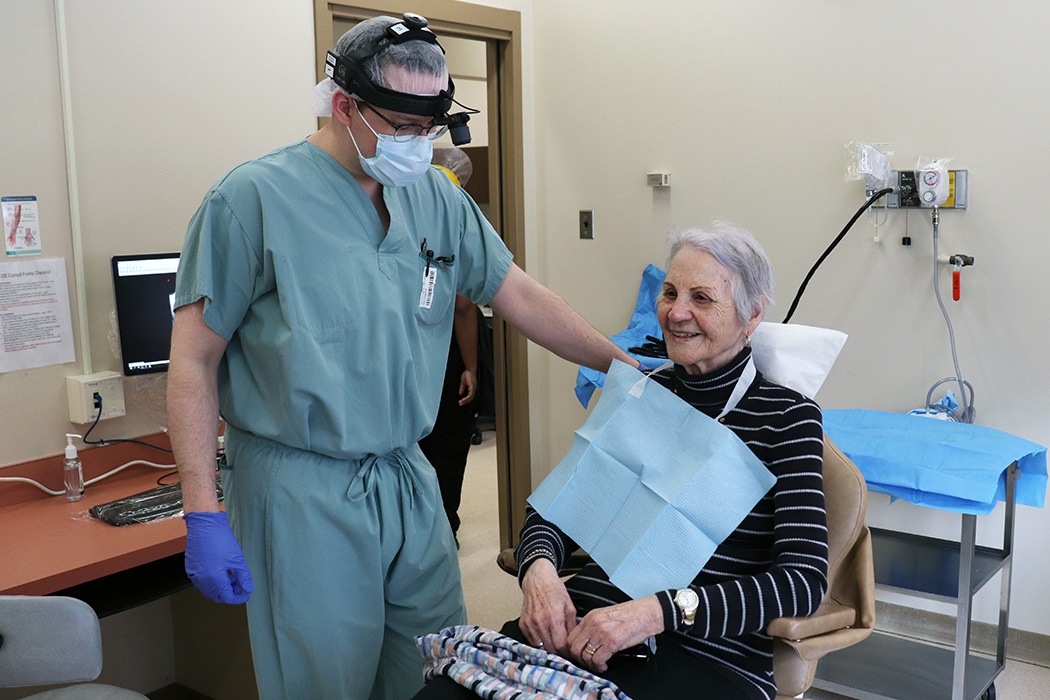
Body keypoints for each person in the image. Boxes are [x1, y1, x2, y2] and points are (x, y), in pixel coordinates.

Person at [166, 14, 636, 700]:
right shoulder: (250, 201)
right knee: (326, 683)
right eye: (402, 127)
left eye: (430, 130)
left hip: (407, 480)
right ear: (344, 106)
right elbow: (193, 362)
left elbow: (520, 295)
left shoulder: (436, 198)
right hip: (302, 492)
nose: (419, 146)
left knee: (440, 670)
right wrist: (201, 510)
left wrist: (622, 364)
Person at [415, 222, 828, 700]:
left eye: (701, 298)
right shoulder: (643, 394)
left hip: (706, 654)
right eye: (670, 292)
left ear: (751, 315)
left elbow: (802, 581)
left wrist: (656, 612)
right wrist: (540, 573)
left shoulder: (787, 418)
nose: (676, 312)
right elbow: (553, 512)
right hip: (584, 626)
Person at [420, 148, 481, 543]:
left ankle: (421, 531)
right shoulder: (456, 218)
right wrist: (472, 367)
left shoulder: (399, 212)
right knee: (448, 446)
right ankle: (444, 529)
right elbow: (462, 305)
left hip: (409, 358)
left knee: (417, 449)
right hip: (445, 359)